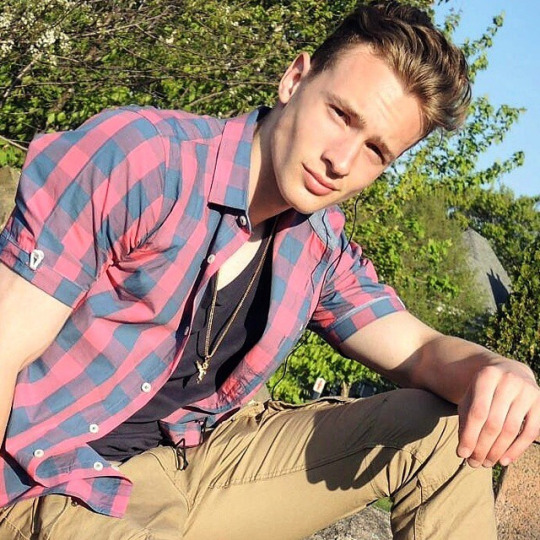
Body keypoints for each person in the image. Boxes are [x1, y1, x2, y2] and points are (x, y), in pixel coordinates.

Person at [0, 1, 538, 539]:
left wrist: (500, 370)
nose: (341, 161)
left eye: (376, 150)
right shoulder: (146, 160)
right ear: (295, 79)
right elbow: (5, 345)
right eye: (341, 115)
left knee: (441, 434)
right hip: (54, 479)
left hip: (199, 460)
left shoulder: (317, 246)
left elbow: (419, 351)